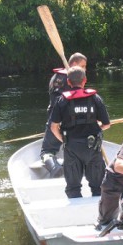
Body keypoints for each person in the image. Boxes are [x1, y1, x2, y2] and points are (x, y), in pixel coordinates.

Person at [50, 66, 111, 198]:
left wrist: (64, 140)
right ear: (85, 80)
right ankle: (99, 212)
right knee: (98, 187)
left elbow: (53, 127)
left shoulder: (62, 100)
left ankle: (76, 212)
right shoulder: (95, 98)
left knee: (73, 188)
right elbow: (106, 124)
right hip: (93, 148)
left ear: (69, 82)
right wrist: (97, 127)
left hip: (71, 148)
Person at [40, 53, 88, 176]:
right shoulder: (73, 80)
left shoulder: (55, 77)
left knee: (48, 151)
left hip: (55, 120)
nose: (84, 69)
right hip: (72, 120)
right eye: (82, 66)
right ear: (74, 64)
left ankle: (54, 167)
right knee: (76, 145)